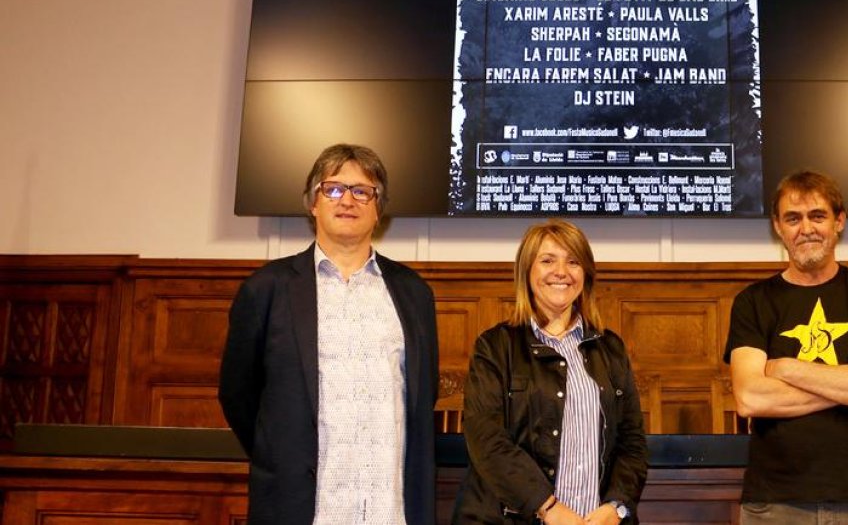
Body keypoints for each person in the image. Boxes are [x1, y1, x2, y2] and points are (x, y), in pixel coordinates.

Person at [219, 143, 439, 525]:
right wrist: (281, 455)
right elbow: (238, 394)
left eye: (362, 191)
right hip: (301, 509)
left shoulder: (413, 293)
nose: (347, 200)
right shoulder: (267, 289)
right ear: (313, 203)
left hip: (390, 510)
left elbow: (423, 392)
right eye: (333, 189)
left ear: (378, 208)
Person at [723, 170, 848, 524]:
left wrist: (785, 368)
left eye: (817, 216)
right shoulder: (752, 302)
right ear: (778, 227)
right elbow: (751, 399)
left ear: (839, 221)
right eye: (793, 218)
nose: (806, 228)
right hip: (775, 506)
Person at [453, 219, 648, 525]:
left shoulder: (610, 348)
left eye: (573, 262)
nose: (561, 271)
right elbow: (486, 439)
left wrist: (616, 506)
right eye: (547, 260)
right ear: (526, 271)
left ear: (586, 274)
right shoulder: (495, 346)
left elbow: (632, 441)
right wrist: (547, 507)